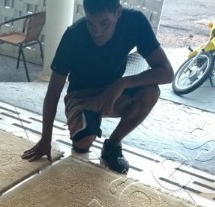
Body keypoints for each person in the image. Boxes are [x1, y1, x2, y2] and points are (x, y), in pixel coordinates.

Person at [21, 0, 174, 173]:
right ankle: (89, 119)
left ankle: (112, 145)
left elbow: (167, 73)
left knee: (151, 92)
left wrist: (122, 83)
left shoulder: (134, 22)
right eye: (90, 24)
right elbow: (52, 94)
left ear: (118, 12)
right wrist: (45, 139)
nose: (97, 32)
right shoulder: (73, 36)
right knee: (82, 144)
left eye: (104, 24)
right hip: (81, 96)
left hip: (113, 92)